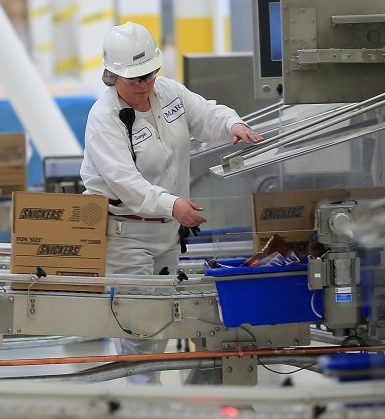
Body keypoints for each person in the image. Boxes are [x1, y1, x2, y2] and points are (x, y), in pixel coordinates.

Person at [81, 22, 263, 383]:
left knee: (160, 322)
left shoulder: (169, 94)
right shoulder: (104, 119)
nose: (145, 84)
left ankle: (149, 398)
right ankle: (140, 411)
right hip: (126, 237)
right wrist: (173, 205)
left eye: (149, 74)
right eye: (135, 79)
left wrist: (232, 124)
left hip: (166, 234)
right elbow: (126, 183)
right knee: (139, 328)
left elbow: (205, 113)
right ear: (112, 74)